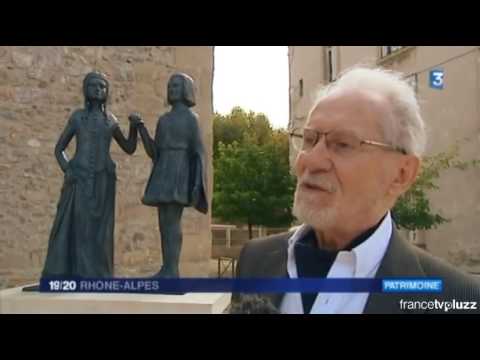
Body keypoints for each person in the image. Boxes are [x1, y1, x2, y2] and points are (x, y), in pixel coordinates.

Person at [234, 66, 480, 314]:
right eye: (309, 139)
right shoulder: (256, 260)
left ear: (402, 174)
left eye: (342, 144)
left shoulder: (458, 298)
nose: (310, 160)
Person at [41, 71, 139, 278]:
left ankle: (99, 275)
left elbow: (129, 148)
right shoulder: (77, 117)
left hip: (104, 181)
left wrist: (134, 127)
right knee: (79, 228)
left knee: (101, 232)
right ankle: (77, 273)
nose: (98, 89)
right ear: (86, 90)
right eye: (94, 85)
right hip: (80, 180)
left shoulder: (110, 120)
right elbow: (59, 149)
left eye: (103, 86)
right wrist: (68, 169)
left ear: (107, 92)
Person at [133, 72, 208, 278]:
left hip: (178, 172)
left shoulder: (191, 119)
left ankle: (172, 269)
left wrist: (196, 183)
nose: (171, 89)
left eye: (176, 86)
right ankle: (167, 267)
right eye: (169, 86)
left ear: (185, 90)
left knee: (172, 222)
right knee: (164, 224)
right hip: (163, 170)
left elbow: (199, 151)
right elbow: (154, 152)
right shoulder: (163, 120)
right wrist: (141, 129)